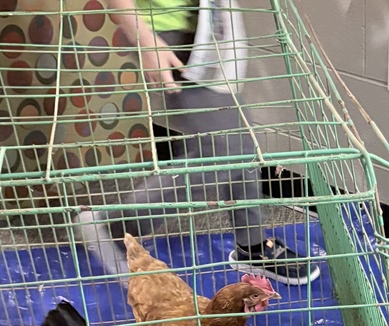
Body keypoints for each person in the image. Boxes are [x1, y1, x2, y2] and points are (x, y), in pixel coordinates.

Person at [75, 0, 319, 286]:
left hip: (207, 26)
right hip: (169, 31)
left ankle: (252, 247)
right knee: (223, 150)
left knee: (239, 139)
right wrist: (142, 38)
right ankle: (115, 227)